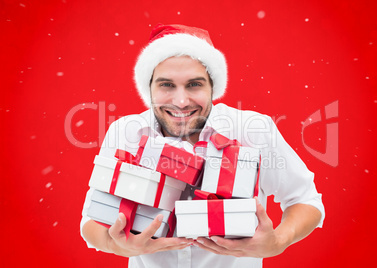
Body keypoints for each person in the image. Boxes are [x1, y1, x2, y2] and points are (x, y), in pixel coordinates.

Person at [80, 24, 325, 268]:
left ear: (212, 88)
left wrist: (279, 241)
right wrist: (116, 245)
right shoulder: (126, 132)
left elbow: (305, 200)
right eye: (166, 85)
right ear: (150, 88)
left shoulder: (253, 129)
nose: (181, 101)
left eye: (194, 84)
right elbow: (90, 223)